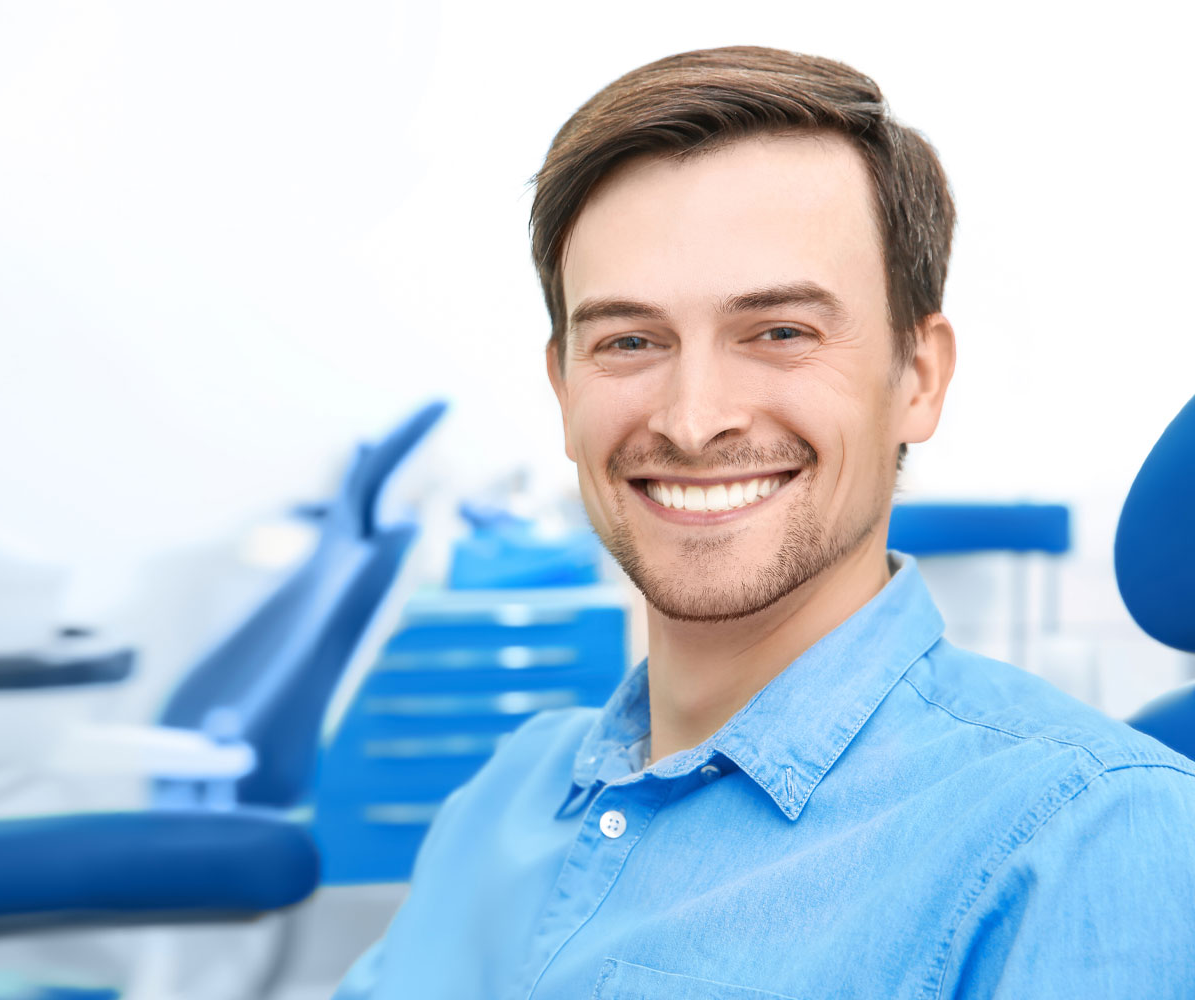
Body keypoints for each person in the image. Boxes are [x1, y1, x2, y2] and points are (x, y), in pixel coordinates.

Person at [336, 46, 1195, 999]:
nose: (693, 419)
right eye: (628, 341)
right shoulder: (503, 792)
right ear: (564, 388)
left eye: (780, 332)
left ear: (919, 376)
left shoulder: (1089, 835)